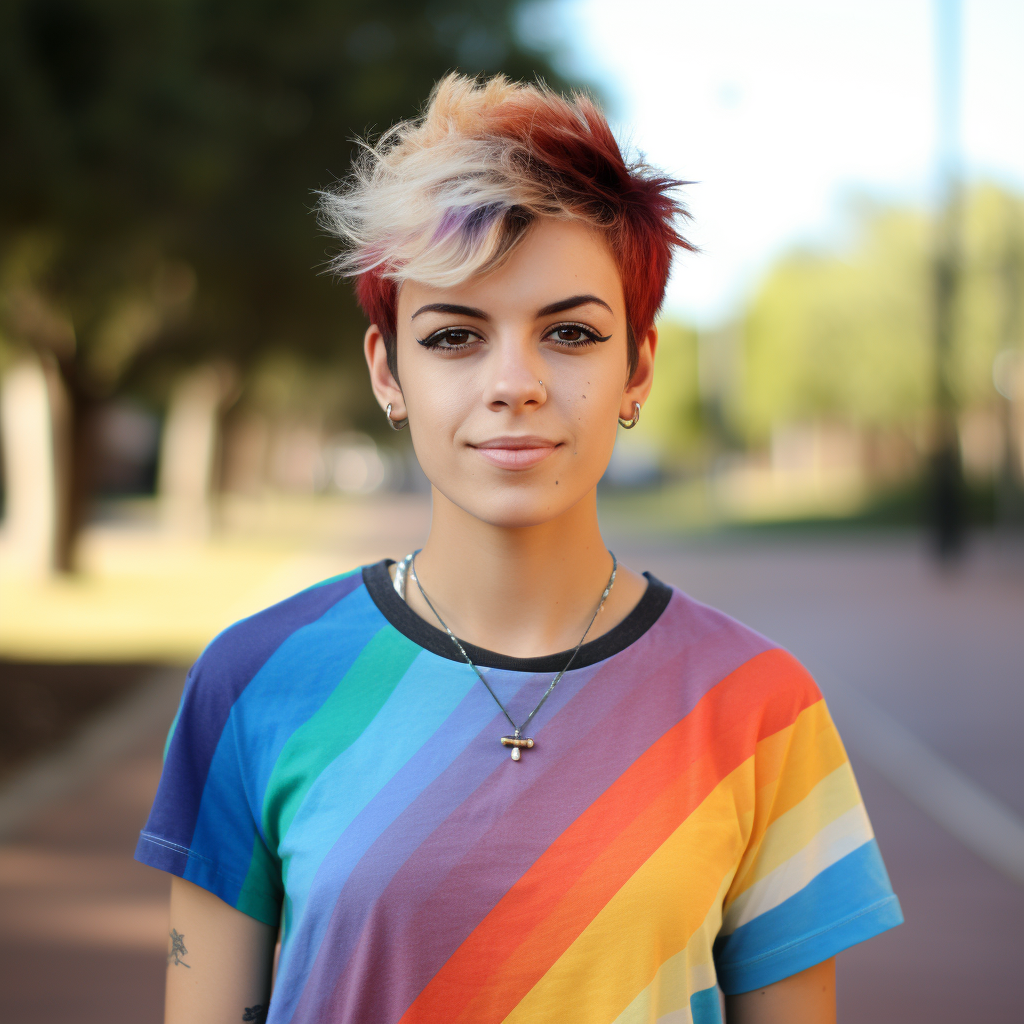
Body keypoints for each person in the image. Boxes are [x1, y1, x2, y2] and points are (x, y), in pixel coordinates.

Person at [137, 74, 902, 1024]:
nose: (516, 384)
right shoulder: (254, 681)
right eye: (455, 336)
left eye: (571, 333)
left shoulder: (761, 708)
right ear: (389, 372)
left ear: (640, 366)